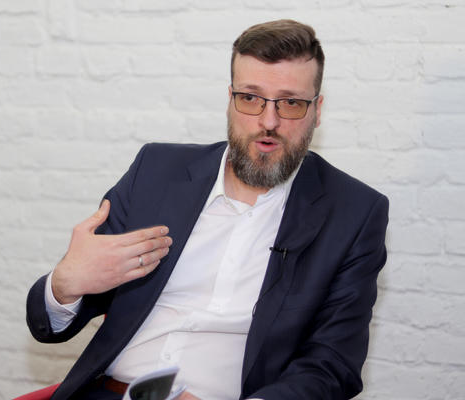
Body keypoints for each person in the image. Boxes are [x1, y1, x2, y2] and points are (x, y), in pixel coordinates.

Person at [26, 19, 389, 400]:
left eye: (291, 103)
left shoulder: (353, 213)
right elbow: (49, 326)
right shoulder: (156, 171)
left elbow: (333, 364)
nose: (269, 122)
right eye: (251, 98)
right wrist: (65, 285)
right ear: (230, 99)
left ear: (317, 110)